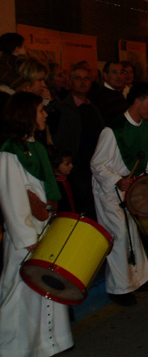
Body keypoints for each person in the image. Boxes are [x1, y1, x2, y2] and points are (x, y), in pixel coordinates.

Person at [0, 92, 73, 355]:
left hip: (43, 228)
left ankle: (47, 343)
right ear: (26, 114)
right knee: (18, 294)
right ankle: (11, 349)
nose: (45, 114)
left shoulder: (37, 147)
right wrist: (28, 238)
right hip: (26, 237)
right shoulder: (10, 152)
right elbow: (12, 198)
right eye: (40, 110)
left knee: (44, 291)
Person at [90, 83, 148, 306]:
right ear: (137, 100)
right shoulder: (113, 130)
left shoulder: (145, 127)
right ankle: (118, 287)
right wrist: (117, 180)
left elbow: (146, 159)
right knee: (120, 235)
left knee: (133, 233)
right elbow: (97, 164)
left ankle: (141, 279)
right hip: (109, 190)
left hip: (131, 188)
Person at [48, 65, 105, 220]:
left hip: (95, 170)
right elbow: (59, 140)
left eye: (86, 78)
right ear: (70, 82)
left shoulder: (94, 108)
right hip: (74, 171)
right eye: (78, 78)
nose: (83, 82)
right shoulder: (61, 108)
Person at [89, 61, 128, 126]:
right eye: (115, 73)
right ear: (105, 76)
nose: (119, 76)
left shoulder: (120, 92)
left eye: (122, 72)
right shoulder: (101, 96)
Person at [49, 146, 76, 213]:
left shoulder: (70, 179)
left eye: (71, 163)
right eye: (67, 164)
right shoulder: (53, 185)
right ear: (55, 166)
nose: (71, 166)